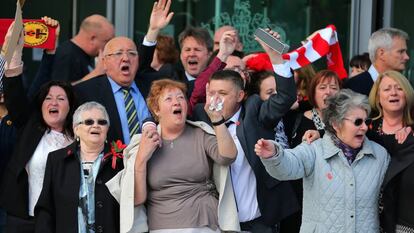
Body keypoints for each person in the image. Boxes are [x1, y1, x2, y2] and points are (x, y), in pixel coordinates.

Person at [193, 29, 299, 232]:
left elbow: (285, 97)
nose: (215, 99)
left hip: (258, 219)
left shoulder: (254, 110)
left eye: (223, 93)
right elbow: (190, 95)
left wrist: (275, 57)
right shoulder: (201, 114)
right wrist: (222, 56)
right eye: (212, 93)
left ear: (240, 95)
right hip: (216, 222)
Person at [255, 89, 390, 233]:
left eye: (366, 121)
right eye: (357, 122)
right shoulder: (314, 150)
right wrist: (275, 154)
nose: (364, 127)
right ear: (336, 124)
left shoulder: (380, 155)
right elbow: (289, 165)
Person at [128, 79, 238, 232]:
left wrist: (217, 120)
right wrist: (141, 157)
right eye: (169, 98)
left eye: (180, 97)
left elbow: (228, 157)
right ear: (156, 109)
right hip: (162, 227)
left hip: (204, 224)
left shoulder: (201, 133)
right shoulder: (142, 143)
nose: (176, 102)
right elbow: (136, 199)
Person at [0, 26, 76, 232]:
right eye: (49, 98)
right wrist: (15, 52)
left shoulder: (79, 137)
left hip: (62, 221)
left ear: (70, 107)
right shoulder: (30, 126)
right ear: (40, 105)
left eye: (61, 99)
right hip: (24, 220)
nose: (54, 102)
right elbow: (14, 92)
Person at [74, 0, 174, 144]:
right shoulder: (86, 92)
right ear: (105, 62)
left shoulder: (153, 84)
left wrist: (153, 30)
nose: (126, 58)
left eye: (131, 53)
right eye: (118, 53)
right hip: (112, 164)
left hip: (155, 162)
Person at [34, 101, 124, 233]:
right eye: (88, 122)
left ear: (107, 129)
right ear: (76, 129)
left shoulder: (122, 161)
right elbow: (46, 209)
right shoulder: (57, 160)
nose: (96, 125)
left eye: (102, 122)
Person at [365, 70, 414, 232]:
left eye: (399, 88)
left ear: (406, 94)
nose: (393, 92)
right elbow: (342, 135)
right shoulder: (366, 128)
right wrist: (319, 133)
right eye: (387, 89)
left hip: (406, 216)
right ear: (378, 98)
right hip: (371, 214)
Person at [344, 28, 409, 96]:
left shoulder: (406, 87)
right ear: (381, 54)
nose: (407, 57)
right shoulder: (353, 87)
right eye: (401, 52)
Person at [51, 14, 114, 84]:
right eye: (107, 41)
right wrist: (96, 73)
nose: (109, 46)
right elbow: (60, 90)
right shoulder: (66, 55)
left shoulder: (87, 54)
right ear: (92, 38)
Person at [290, 70, 342, 148]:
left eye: (334, 88)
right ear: (313, 93)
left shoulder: (348, 120)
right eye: (322, 87)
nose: (328, 91)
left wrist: (320, 134)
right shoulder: (296, 119)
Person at [176, 27, 214, 96]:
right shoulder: (171, 79)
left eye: (197, 50)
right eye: (187, 50)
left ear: (209, 54)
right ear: (181, 55)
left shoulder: (217, 82)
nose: (192, 54)